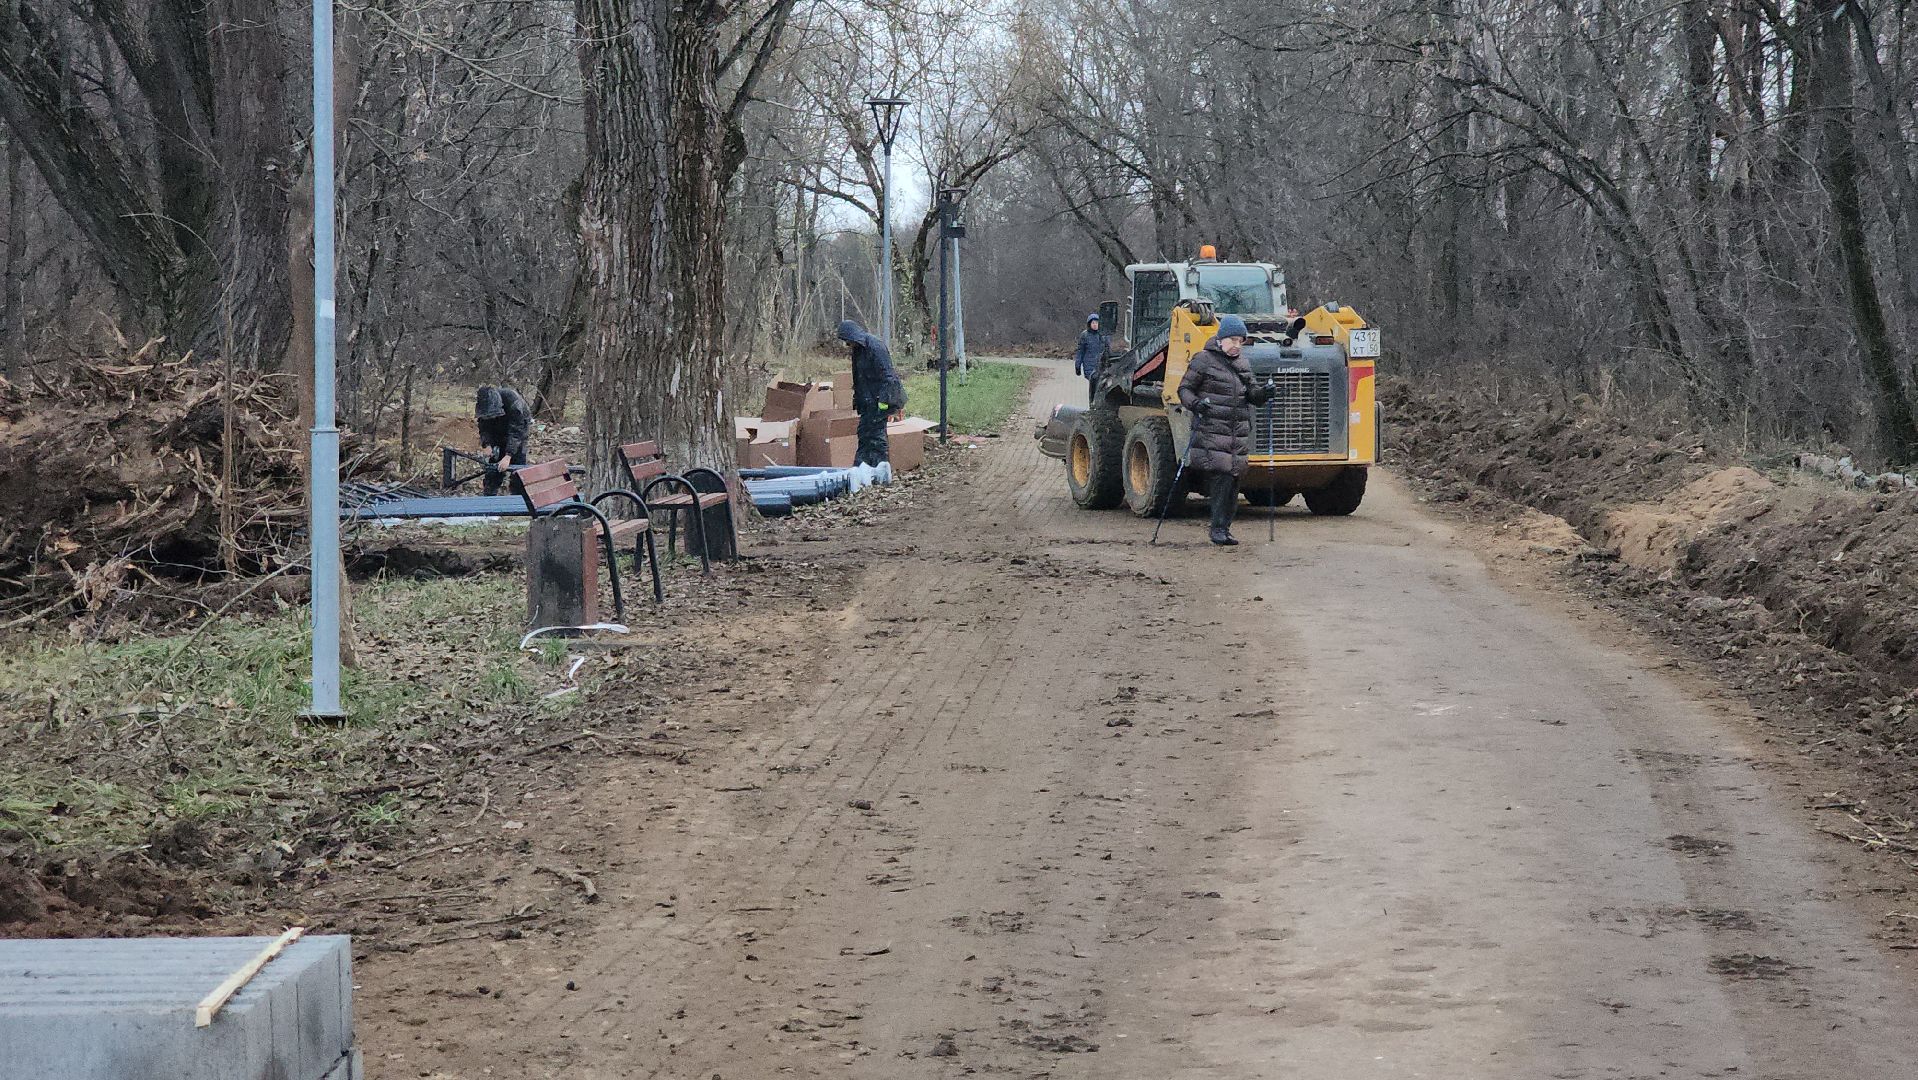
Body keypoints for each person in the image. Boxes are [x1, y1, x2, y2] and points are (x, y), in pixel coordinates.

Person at [1177, 314, 1268, 546]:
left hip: (1237, 433)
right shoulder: (1203, 360)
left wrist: (1264, 394)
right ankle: (1217, 529)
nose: (1237, 345)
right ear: (1221, 339)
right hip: (1213, 430)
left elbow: (1253, 394)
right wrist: (1197, 405)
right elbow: (1185, 389)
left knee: (1234, 480)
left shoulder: (1242, 364)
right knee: (1222, 479)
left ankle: (1225, 529)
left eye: (1241, 341)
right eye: (1233, 340)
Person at [836, 319, 906, 467]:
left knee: (876, 437)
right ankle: (862, 468)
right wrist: (858, 399)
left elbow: (888, 376)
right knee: (864, 434)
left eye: (848, 342)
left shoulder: (875, 346)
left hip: (882, 399)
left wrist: (883, 402)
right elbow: (859, 377)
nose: (848, 345)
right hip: (868, 400)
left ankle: (881, 470)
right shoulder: (859, 350)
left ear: (853, 337)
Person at [475, 384, 532, 496]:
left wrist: (508, 455)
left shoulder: (514, 402)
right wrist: (486, 444)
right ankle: (489, 496)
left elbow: (516, 432)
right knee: (493, 468)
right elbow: (483, 426)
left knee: (517, 469)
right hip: (497, 431)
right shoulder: (483, 405)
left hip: (518, 430)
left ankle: (518, 500)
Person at [1073, 313, 1109, 403]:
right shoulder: (1084, 335)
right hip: (1089, 365)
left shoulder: (1103, 335)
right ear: (1089, 324)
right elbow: (1080, 351)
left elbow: (1108, 349)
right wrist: (1078, 366)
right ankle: (1092, 402)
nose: (1095, 324)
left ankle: (1096, 402)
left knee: (1100, 384)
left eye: (1096, 323)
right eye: (1093, 323)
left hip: (1101, 365)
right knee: (1094, 383)